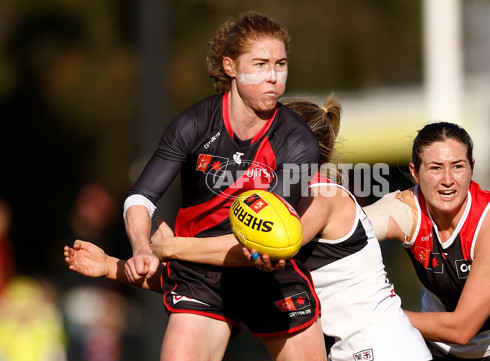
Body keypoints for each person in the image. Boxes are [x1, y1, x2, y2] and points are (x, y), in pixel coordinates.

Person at [65, 96, 432, 361]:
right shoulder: (285, 200)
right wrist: (113, 266)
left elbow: (240, 251)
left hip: (385, 350)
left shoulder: (320, 198)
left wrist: (171, 245)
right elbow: (201, 278)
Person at [121, 11, 325, 361]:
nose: (273, 77)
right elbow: (141, 198)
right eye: (260, 64)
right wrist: (141, 247)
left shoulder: (297, 142)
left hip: (268, 278)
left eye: (281, 64)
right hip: (201, 279)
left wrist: (171, 248)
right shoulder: (194, 123)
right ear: (230, 67)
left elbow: (266, 238)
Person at [363, 122, 490, 360]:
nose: (448, 180)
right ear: (415, 173)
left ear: (472, 168)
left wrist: (378, 314)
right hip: (443, 349)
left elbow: (462, 329)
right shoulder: (405, 209)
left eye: (457, 166)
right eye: (435, 168)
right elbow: (345, 230)